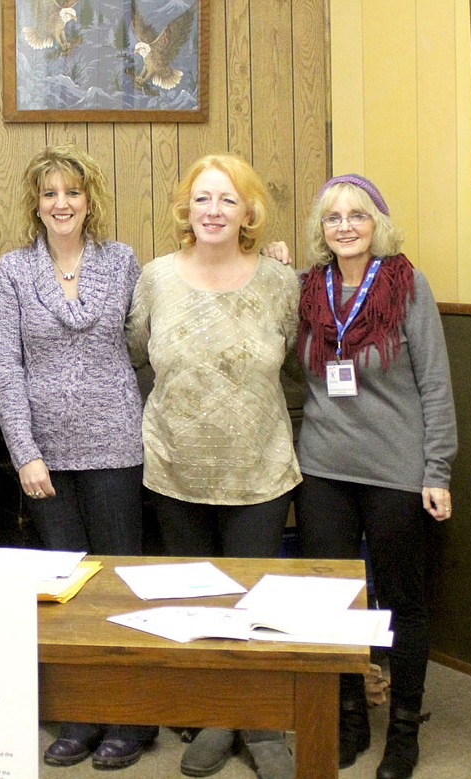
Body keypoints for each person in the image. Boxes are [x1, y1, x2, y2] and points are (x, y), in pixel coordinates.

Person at [126, 153, 299, 779]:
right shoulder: (155, 279)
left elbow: (301, 361)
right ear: (186, 210)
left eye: (228, 200)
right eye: (203, 199)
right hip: (176, 464)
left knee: (252, 594)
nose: (214, 211)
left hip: (259, 465)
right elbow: (135, 351)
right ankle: (216, 716)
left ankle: (259, 722)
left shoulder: (281, 282)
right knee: (200, 597)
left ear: (248, 211)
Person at [0, 144, 156, 770]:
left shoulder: (122, 261)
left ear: (91, 201)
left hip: (116, 442)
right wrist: (24, 452)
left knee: (117, 581)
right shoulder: (11, 270)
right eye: (50, 193)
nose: (62, 203)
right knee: (65, 588)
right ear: (36, 203)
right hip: (45, 454)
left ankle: (129, 718)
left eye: (73, 193)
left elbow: (148, 336)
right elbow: (5, 366)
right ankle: (81, 714)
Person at [292, 175, 456, 779]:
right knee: (332, 599)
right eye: (332, 217)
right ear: (321, 230)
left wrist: (436, 470)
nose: (345, 226)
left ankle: (404, 731)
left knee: (401, 600)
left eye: (357, 215)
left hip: (395, 470)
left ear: (377, 223)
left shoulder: (407, 286)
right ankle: (351, 715)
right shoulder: (308, 289)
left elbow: (435, 387)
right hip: (323, 467)